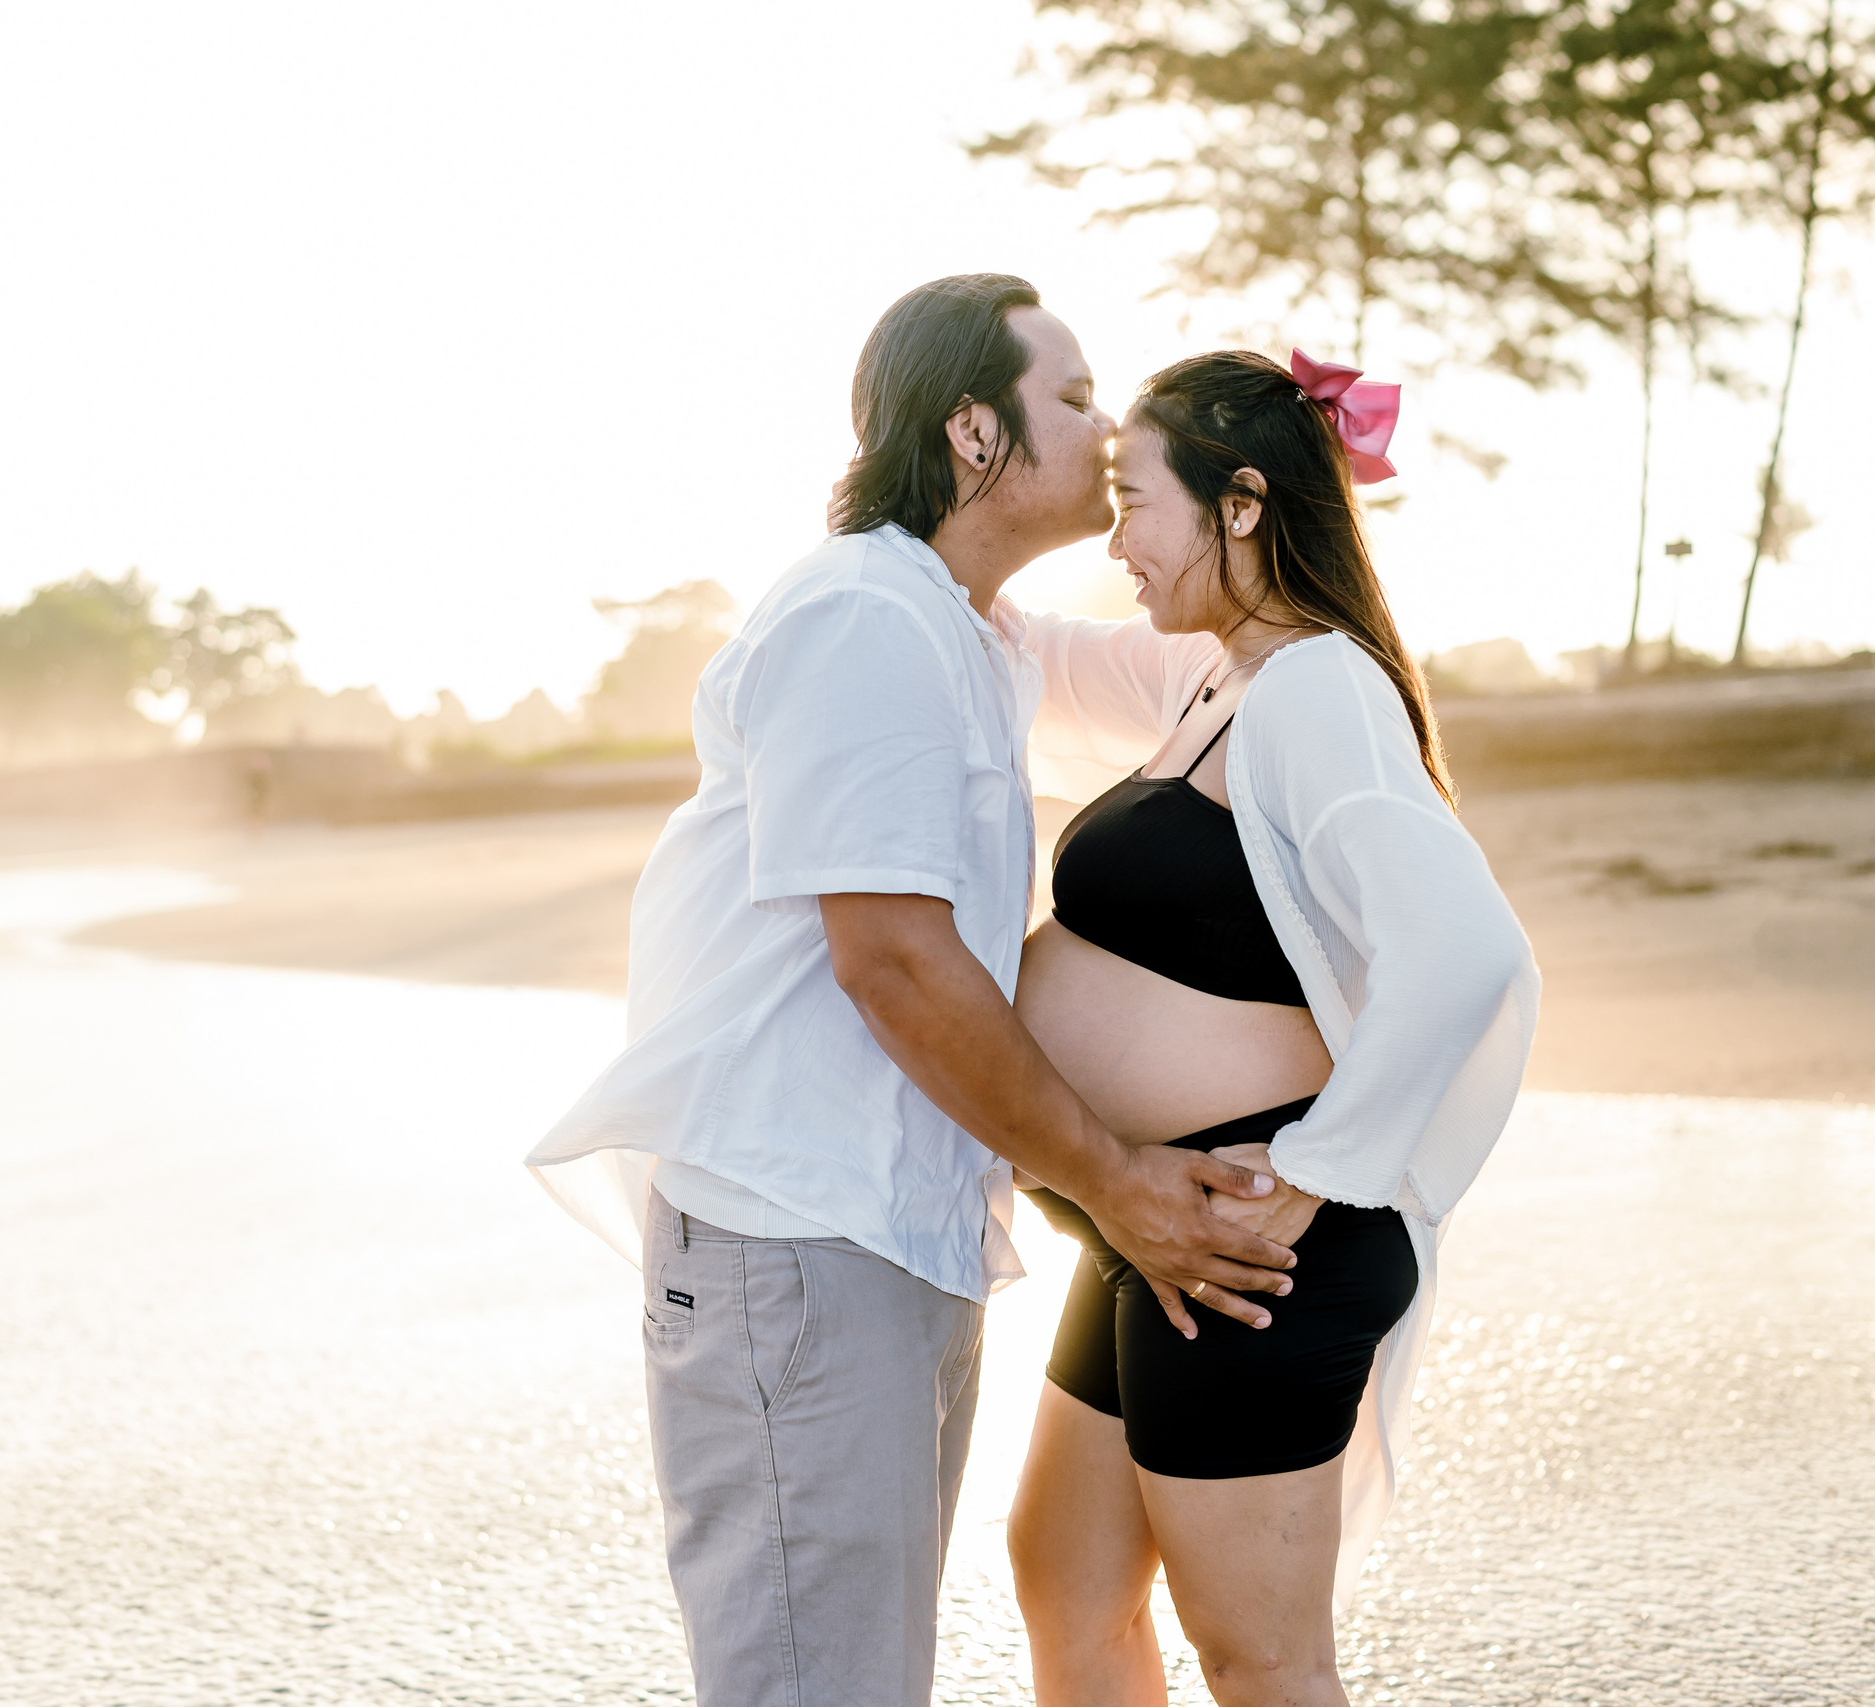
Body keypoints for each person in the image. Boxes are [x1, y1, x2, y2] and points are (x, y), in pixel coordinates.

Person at [526, 277, 1302, 1707]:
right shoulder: (865, 618)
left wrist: (1282, 484)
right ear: (973, 433)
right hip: (799, 1244)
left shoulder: (975, 629)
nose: (1111, 425)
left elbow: (1206, 662)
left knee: (859, 1677)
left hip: (887, 1239)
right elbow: (890, 957)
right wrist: (1120, 1181)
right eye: (1073, 398)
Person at [1007, 349, 1541, 1706]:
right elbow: (1036, 657)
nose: (1118, 543)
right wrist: (922, 528)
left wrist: (1309, 1182)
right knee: (1067, 1583)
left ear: (1241, 506)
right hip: (1157, 1222)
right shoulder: (1212, 681)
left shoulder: (1314, 688)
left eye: (1137, 503)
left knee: (1259, 1660)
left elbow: (1464, 950)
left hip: (1257, 1244)